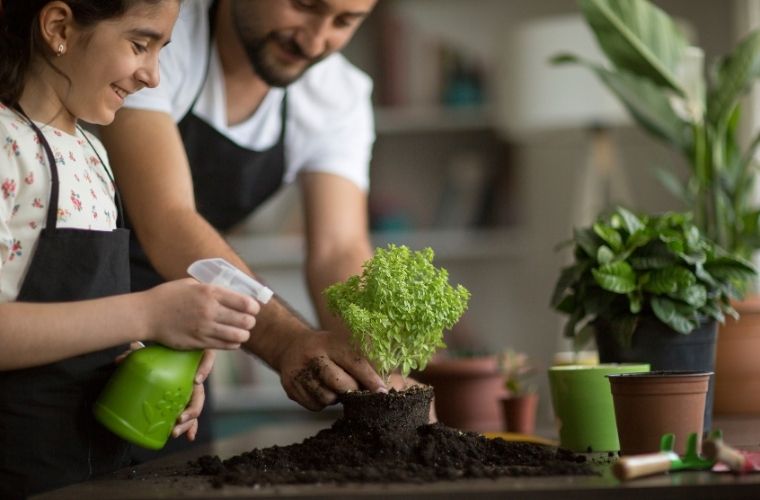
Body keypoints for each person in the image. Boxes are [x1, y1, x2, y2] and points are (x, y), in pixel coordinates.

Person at [0, 1, 263, 497]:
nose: (154, 76)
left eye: (162, 50)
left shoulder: (92, 151)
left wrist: (153, 358)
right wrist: (146, 313)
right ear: (58, 27)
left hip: (95, 473)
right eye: (140, 45)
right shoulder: (6, 144)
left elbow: (80, 317)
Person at [100, 0, 390, 443]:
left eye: (344, 21)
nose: (314, 40)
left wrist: (376, 370)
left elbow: (340, 248)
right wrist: (287, 342)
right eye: (305, 6)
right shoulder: (158, 36)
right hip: (82, 306)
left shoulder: (338, 93)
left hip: (184, 340)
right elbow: (167, 218)